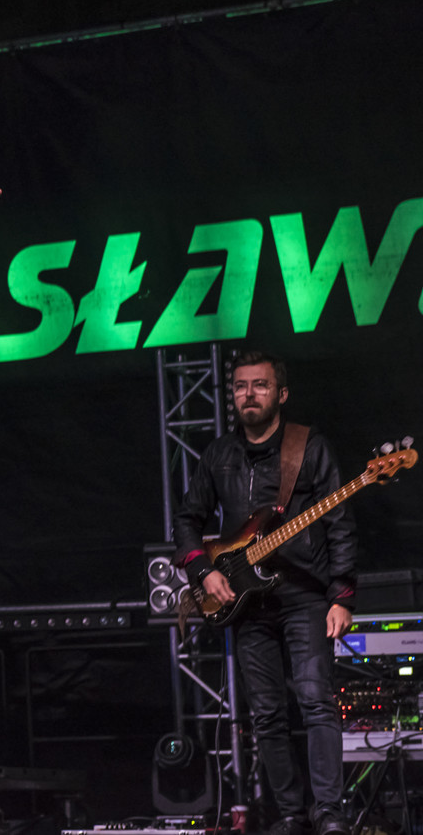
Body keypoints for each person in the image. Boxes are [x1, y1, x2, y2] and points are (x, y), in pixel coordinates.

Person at [174, 352, 355, 835]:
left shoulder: (309, 447)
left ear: (281, 393)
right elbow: (187, 521)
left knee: (316, 701)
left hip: (305, 595)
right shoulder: (218, 455)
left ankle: (329, 812)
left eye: (259, 385)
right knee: (267, 714)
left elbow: (339, 523)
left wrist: (341, 595)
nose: (248, 394)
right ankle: (291, 814)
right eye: (239, 386)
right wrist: (203, 572)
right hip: (245, 601)